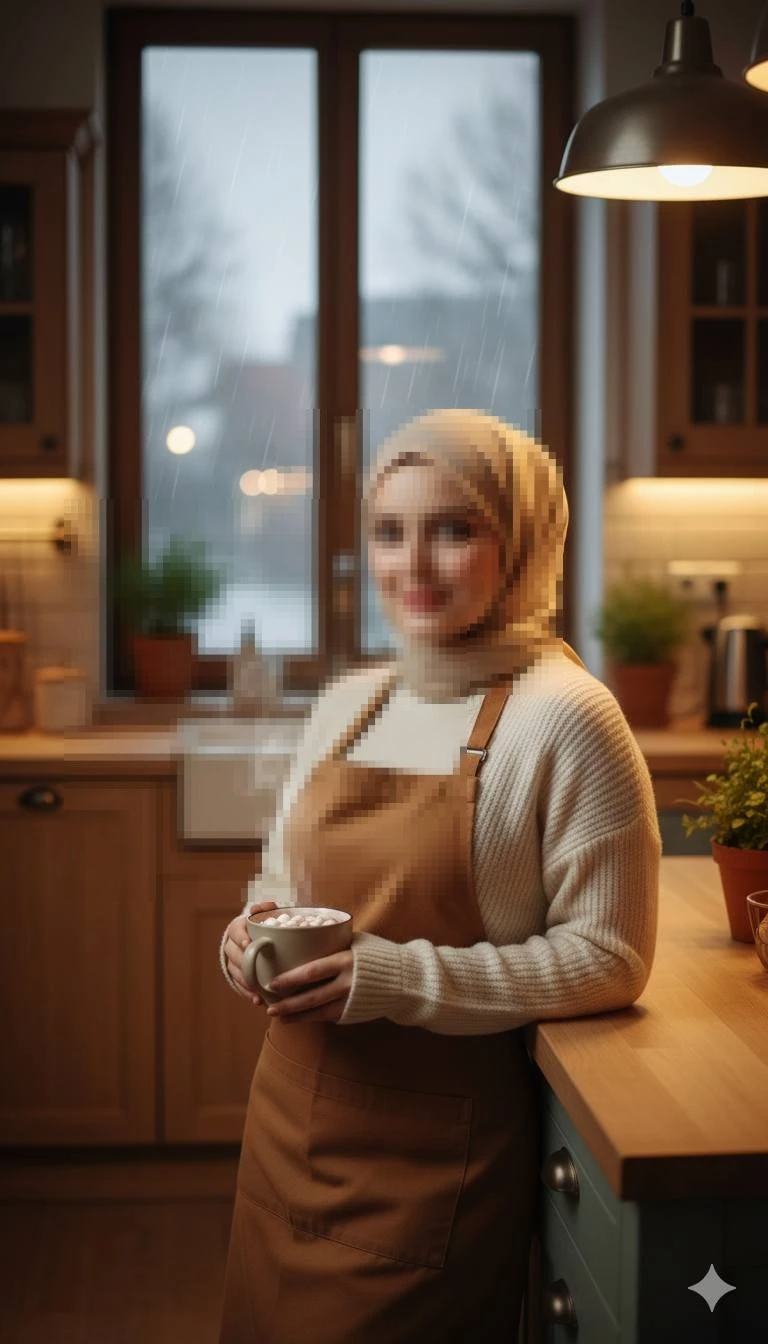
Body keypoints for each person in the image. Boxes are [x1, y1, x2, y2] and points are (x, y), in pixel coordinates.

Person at [218, 408, 660, 1344]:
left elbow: (611, 956)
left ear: (525, 541)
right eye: (389, 531)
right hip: (287, 1130)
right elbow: (281, 869)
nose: (411, 564)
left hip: (435, 1165)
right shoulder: (350, 700)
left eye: (454, 529)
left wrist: (399, 979)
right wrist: (254, 923)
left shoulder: (569, 717)